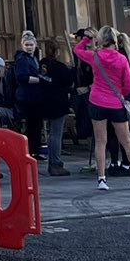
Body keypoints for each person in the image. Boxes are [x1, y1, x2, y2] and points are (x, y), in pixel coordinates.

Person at [73, 27, 130, 191]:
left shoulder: (95, 57)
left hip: (97, 101)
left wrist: (86, 39)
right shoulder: (121, 59)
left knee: (100, 141)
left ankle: (102, 179)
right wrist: (120, 95)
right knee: (126, 140)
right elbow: (129, 85)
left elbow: (77, 50)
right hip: (116, 103)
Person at [36, 38, 75, 175]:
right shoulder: (60, 67)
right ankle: (55, 163)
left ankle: (53, 162)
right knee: (56, 134)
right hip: (58, 102)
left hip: (44, 101)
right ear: (58, 51)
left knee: (51, 133)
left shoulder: (42, 64)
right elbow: (69, 83)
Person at [9, 32, 45, 154]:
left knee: (36, 124)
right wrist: (39, 80)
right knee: (32, 124)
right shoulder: (22, 59)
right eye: (26, 45)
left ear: (35, 45)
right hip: (27, 96)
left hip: (35, 96)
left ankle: (35, 149)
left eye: (31, 45)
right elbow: (21, 77)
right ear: (22, 45)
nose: (29, 47)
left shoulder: (34, 58)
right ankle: (31, 149)